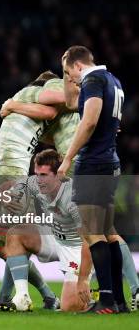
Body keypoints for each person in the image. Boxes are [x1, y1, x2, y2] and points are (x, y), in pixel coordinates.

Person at [1, 75, 139, 307]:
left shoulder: (75, 100)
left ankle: (123, 291)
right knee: (16, 232)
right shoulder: (70, 114)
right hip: (70, 178)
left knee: (103, 230)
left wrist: (13, 105)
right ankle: (18, 296)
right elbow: (50, 133)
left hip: (84, 166)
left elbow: (56, 111)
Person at [0, 71, 59, 310]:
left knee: (4, 237)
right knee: (12, 237)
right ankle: (34, 296)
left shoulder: (23, 106)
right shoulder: (32, 93)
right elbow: (51, 111)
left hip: (7, 168)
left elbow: (42, 130)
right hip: (10, 171)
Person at [58, 45, 128, 313]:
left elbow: (88, 121)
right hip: (110, 162)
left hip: (93, 163)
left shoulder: (93, 80)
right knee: (108, 233)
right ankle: (119, 301)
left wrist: (67, 159)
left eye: (68, 72)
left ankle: (108, 300)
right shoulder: (112, 81)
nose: (71, 79)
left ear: (78, 66)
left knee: (92, 232)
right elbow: (71, 103)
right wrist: (65, 73)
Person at [2, 149, 90, 312]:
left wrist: (83, 279)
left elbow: (88, 240)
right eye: (37, 174)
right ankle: (22, 297)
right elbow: (13, 187)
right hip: (54, 239)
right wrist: (6, 197)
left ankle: (93, 295)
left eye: (43, 175)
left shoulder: (73, 197)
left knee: (70, 307)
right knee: (16, 233)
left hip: (76, 248)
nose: (39, 180)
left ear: (57, 175)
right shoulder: (35, 182)